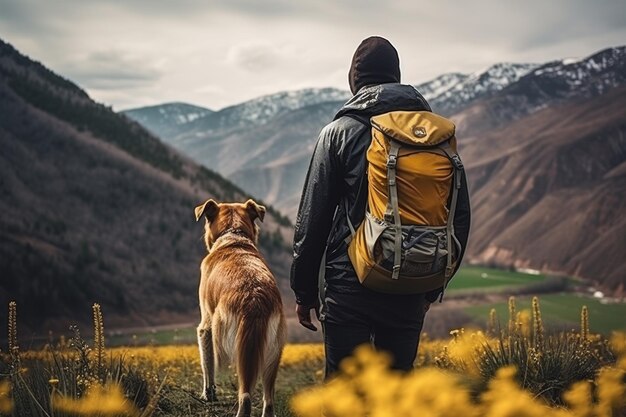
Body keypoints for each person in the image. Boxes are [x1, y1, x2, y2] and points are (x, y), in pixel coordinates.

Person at [290, 36, 471, 376]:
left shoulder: (338, 133)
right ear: (397, 77)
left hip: (349, 283)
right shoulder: (435, 137)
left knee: (345, 392)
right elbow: (459, 217)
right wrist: (432, 285)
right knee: (397, 392)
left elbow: (312, 219)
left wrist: (304, 292)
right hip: (412, 279)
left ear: (354, 81)